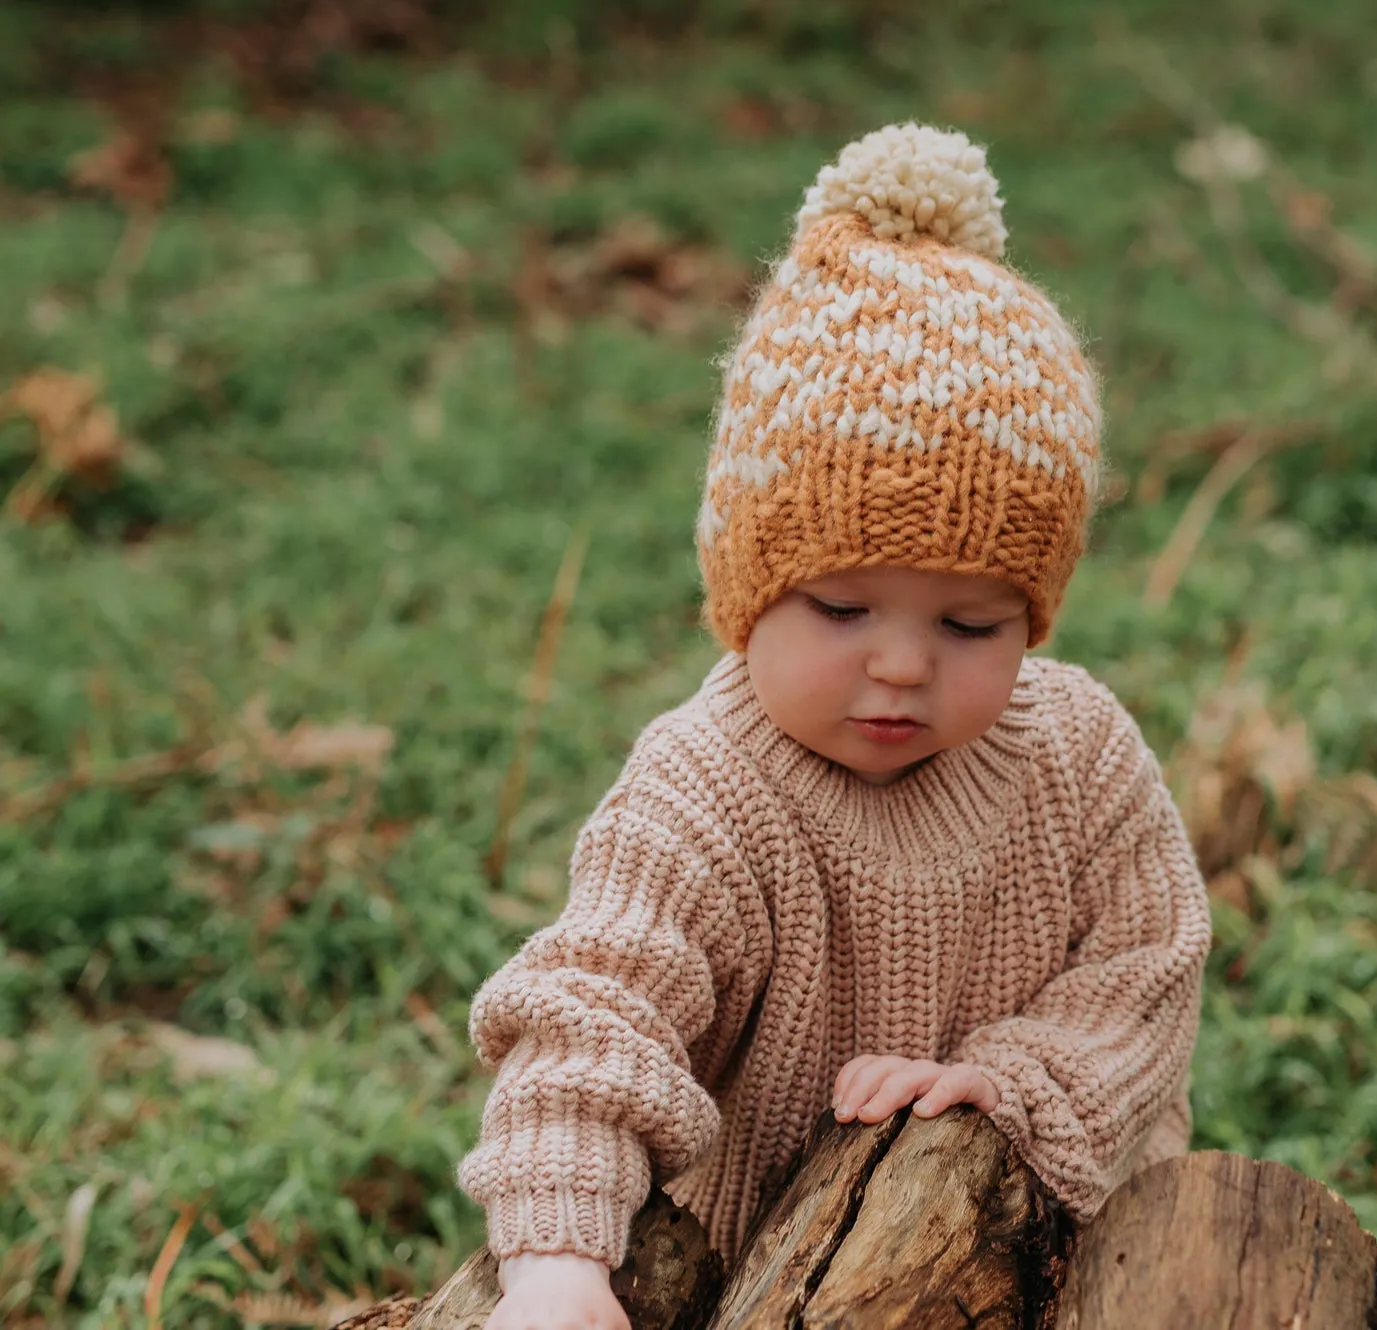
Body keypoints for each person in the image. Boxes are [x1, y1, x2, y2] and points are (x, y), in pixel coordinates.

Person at [458, 121, 1213, 1330]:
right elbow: (592, 1016)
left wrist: (1009, 1081)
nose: (902, 666)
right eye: (843, 606)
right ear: (746, 586)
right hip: (775, 1285)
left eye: (971, 624)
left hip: (1060, 1273)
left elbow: (1145, 967)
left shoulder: (1077, 752)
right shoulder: (700, 792)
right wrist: (556, 1259)